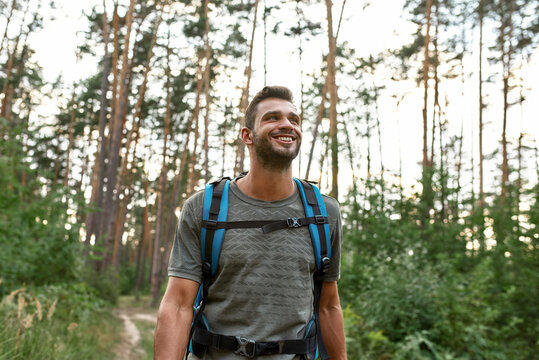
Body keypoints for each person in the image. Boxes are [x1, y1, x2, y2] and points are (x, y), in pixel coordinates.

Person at [154, 85, 346, 360]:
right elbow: (178, 305)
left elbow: (328, 307)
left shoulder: (324, 213)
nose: (287, 125)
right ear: (247, 135)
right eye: (272, 118)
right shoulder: (204, 209)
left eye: (294, 120)